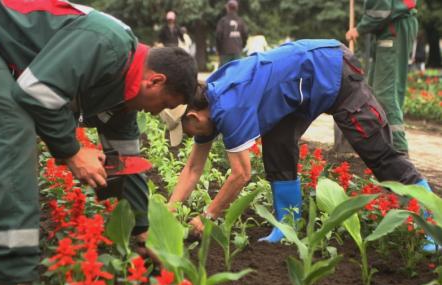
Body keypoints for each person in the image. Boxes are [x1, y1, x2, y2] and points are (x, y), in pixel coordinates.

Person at [0, 1, 197, 285]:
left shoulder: (124, 98)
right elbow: (34, 92)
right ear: (155, 81)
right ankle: (7, 278)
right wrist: (72, 151)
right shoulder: (107, 44)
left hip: (9, 57)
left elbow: (128, 163)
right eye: (164, 104)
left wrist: (142, 231)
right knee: (15, 130)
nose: (156, 114)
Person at [163, 39, 432, 245]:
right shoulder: (207, 101)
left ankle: (435, 224)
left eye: (186, 130)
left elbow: (241, 174)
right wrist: (167, 213)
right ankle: (286, 225)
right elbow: (193, 168)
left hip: (331, 70)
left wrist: (208, 216)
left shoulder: (229, 108)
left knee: (377, 150)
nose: (191, 136)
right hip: (295, 94)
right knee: (277, 146)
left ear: (194, 116)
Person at [345, 0, 418, 155]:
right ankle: (378, 143)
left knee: (385, 93)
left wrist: (359, 30)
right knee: (375, 88)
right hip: (393, 27)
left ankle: (399, 150)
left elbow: (380, 12)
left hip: (393, 29)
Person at [216, 0, 248, 67]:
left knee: (224, 73)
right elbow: (245, 35)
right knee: (237, 72)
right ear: (237, 8)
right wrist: (241, 46)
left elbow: (218, 36)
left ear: (227, 8)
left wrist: (219, 49)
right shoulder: (241, 21)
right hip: (237, 51)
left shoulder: (223, 21)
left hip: (225, 51)